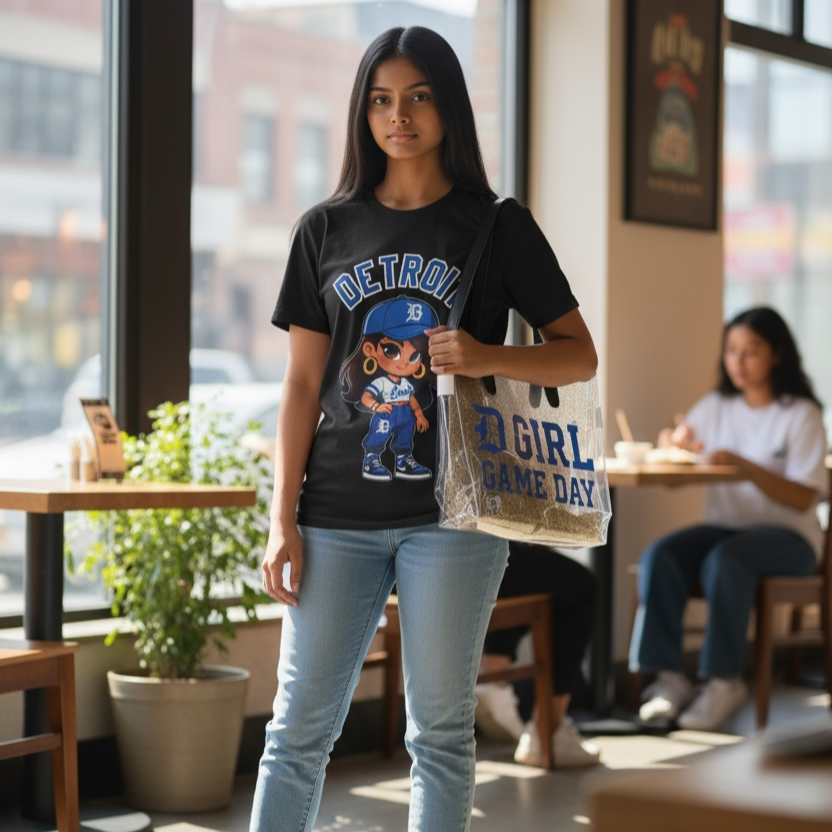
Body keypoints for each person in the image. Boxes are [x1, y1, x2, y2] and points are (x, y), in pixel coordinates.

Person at [250, 25, 598, 832]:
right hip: (333, 512)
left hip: (456, 516)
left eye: (417, 96)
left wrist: (483, 353)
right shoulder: (324, 230)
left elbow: (578, 356)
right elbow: (302, 385)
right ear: (361, 112)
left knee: (439, 735)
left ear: (448, 106)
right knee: (297, 732)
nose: (396, 116)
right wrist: (280, 521)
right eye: (379, 99)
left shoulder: (496, 225)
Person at [630, 306, 828, 732]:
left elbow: (802, 497)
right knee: (660, 556)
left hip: (791, 539)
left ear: (777, 354)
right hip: (726, 530)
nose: (737, 362)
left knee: (725, 560)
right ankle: (669, 679)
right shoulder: (716, 406)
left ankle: (724, 681)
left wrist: (745, 465)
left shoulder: (801, 415)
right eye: (731, 351)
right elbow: (679, 458)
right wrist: (674, 440)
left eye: (750, 351)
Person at [474, 540, 602, 768]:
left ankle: (493, 674)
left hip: (408, 559)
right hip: (467, 550)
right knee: (580, 585)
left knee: (519, 570)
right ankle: (548, 729)